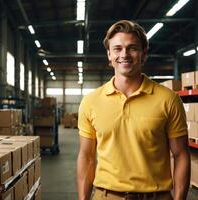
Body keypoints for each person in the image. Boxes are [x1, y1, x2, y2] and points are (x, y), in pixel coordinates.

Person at [77, 20, 190, 200]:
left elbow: (181, 154)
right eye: (117, 48)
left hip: (156, 196)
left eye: (132, 48)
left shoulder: (168, 99)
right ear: (109, 54)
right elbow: (86, 157)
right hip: (107, 196)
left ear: (144, 54)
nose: (125, 54)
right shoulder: (91, 102)